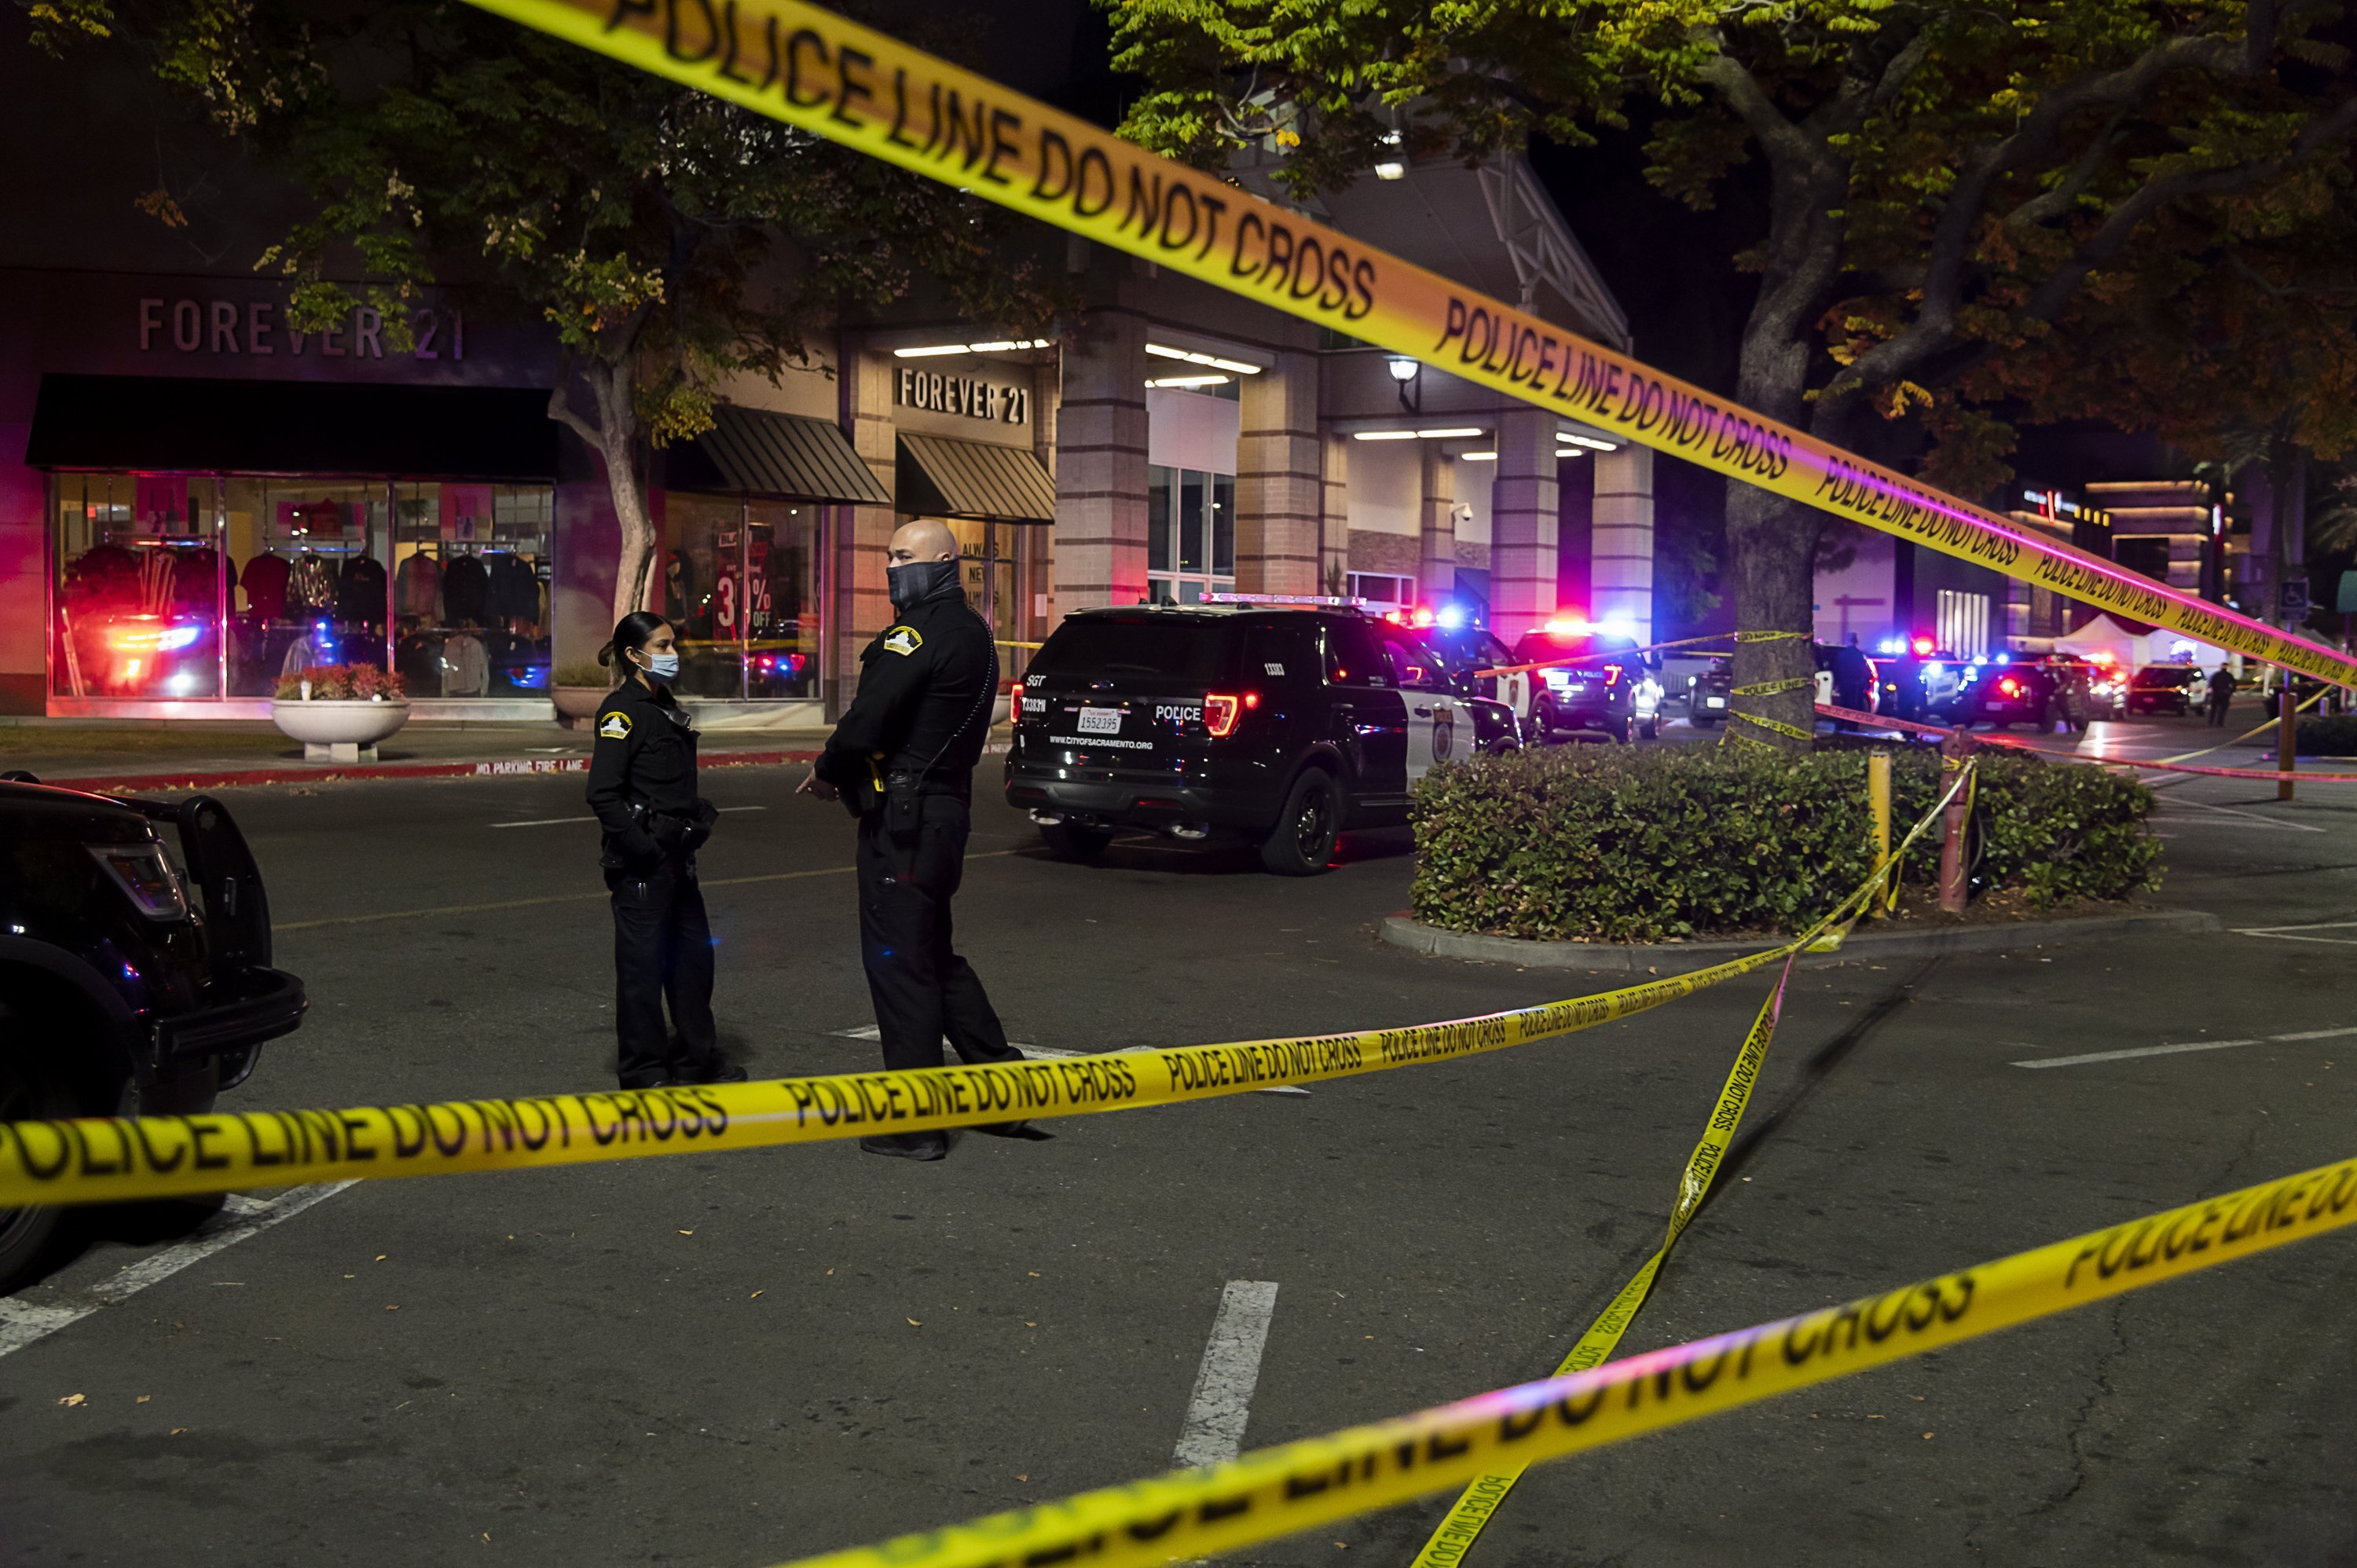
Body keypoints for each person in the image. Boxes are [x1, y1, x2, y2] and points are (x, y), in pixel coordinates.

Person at [797, 519, 1039, 1161]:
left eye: (904, 556)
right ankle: (1005, 1091)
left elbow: (865, 721)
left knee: (900, 966)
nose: (891, 566)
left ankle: (914, 1122)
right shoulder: (976, 635)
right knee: (933, 955)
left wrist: (827, 771)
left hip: (903, 821)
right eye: (889, 555)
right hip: (942, 815)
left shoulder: (918, 634)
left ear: (945, 563)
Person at [585, 611, 741, 1090]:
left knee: (694, 963)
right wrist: (645, 849)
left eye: (674, 645)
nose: (674, 655)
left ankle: (696, 1059)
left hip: (678, 860)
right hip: (644, 866)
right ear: (635, 656)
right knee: (642, 973)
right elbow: (603, 794)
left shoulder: (664, 706)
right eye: (664, 646)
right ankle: (644, 1071)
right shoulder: (621, 712)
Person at [2207, 663, 2238, 727]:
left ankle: (2211, 721)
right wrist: (2231, 691)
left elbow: (2211, 684)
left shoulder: (2216, 675)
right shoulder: (2229, 675)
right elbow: (2234, 684)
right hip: (2224, 694)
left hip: (2216, 694)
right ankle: (2220, 723)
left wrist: (2214, 691)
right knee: (2222, 710)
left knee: (2213, 709)